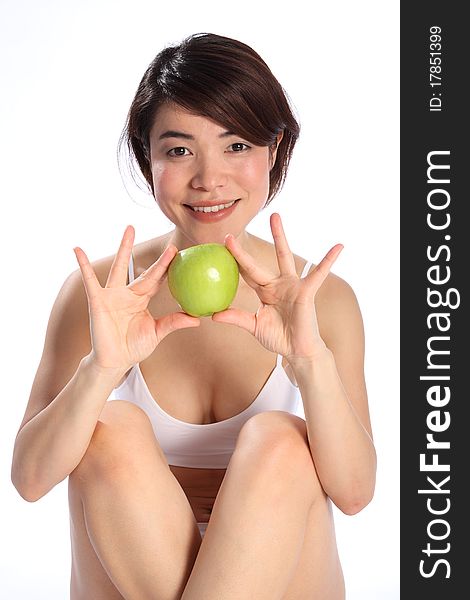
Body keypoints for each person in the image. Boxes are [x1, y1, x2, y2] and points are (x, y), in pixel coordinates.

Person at [11, 32, 376, 600]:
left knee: (280, 440)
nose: (209, 179)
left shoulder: (321, 299)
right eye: (179, 150)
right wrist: (101, 370)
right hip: (130, 576)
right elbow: (31, 481)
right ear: (148, 157)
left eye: (236, 146)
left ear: (274, 150)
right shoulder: (102, 295)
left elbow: (354, 493)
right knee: (111, 431)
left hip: (288, 577)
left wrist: (310, 361)